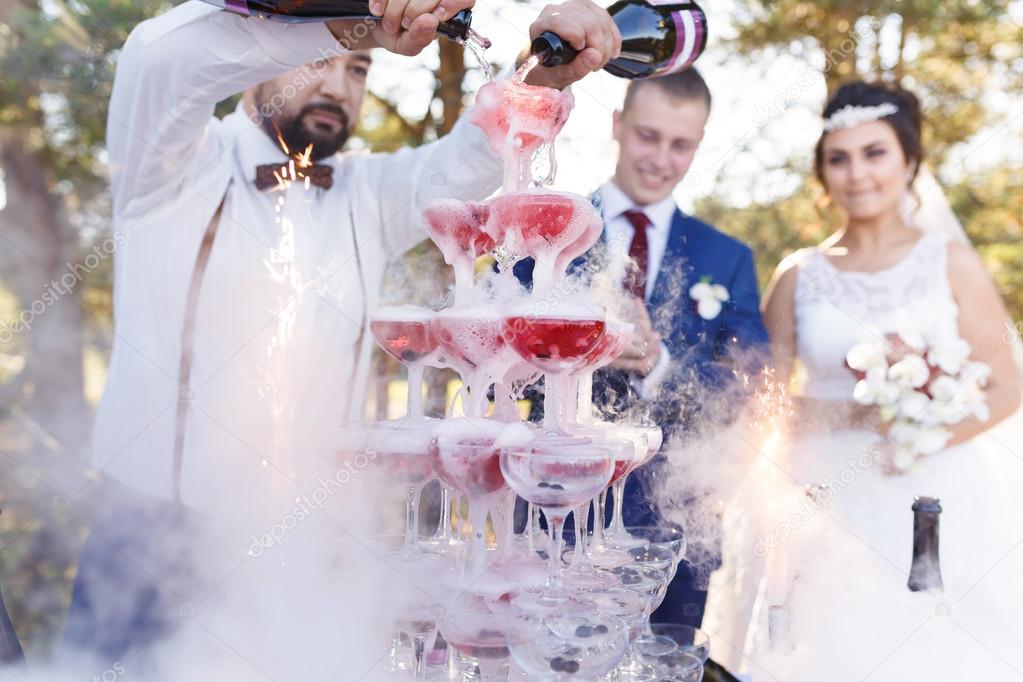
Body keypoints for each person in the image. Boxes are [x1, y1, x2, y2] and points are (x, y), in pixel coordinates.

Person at [63, 0, 622, 661]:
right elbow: (158, 57)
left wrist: (543, 74)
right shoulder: (169, 166)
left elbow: (469, 159)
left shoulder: (365, 193)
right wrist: (346, 22)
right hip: (149, 548)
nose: (336, 86)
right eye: (319, 61)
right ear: (264, 53)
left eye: (357, 70)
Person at [740, 80, 1023, 679]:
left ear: (910, 160)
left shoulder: (948, 262)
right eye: (838, 158)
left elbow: (1008, 385)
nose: (856, 173)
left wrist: (922, 436)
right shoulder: (799, 276)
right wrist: (852, 415)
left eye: (875, 153)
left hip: (933, 491)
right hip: (822, 494)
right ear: (821, 173)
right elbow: (761, 404)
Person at [514, 68, 770, 628]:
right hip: (553, 517)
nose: (661, 158)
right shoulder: (546, 232)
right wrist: (570, 355)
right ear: (617, 125)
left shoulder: (728, 257)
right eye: (647, 136)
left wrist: (661, 366)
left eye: (681, 145)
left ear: (698, 146)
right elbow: (497, 354)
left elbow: (753, 387)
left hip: (675, 530)